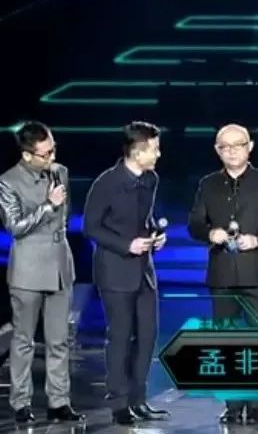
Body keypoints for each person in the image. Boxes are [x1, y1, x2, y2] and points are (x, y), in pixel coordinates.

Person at [188, 124, 258, 425]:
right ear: (217, 150)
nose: (232, 151)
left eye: (238, 144)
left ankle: (257, 406)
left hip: (257, 274)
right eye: (225, 146)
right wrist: (211, 233)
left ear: (250, 147)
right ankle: (232, 406)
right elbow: (194, 224)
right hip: (222, 275)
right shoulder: (208, 184)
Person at [0, 121, 84, 424]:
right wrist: (48, 205)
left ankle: (59, 402)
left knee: (60, 340)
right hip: (28, 269)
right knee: (24, 340)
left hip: (60, 264)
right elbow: (15, 227)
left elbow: (65, 217)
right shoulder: (7, 182)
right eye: (45, 154)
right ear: (27, 154)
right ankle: (21, 403)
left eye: (53, 150)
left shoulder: (61, 172)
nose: (52, 157)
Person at [83, 121, 170, 426]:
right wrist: (126, 244)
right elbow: (91, 227)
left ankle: (138, 399)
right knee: (120, 336)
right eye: (154, 149)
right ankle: (119, 403)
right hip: (116, 270)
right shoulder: (107, 183)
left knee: (147, 335)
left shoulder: (151, 179)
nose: (158, 154)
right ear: (137, 152)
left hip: (144, 269)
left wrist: (155, 235)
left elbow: (144, 218)